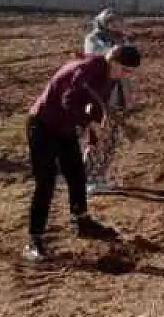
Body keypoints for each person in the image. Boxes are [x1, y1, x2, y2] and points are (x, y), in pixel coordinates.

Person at [23, 45, 142, 263]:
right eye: (125, 70)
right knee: (46, 182)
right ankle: (35, 239)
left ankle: (82, 221)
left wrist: (93, 132)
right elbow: (67, 101)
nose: (126, 76)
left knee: (77, 174)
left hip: (65, 128)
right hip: (43, 125)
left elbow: (96, 105)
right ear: (113, 61)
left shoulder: (108, 75)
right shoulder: (87, 70)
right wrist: (88, 125)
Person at [81, 8, 131, 194]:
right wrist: (119, 49)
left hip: (115, 95)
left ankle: (98, 175)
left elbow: (127, 64)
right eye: (111, 22)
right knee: (95, 137)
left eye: (117, 22)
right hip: (97, 96)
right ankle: (89, 178)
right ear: (103, 23)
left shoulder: (119, 39)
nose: (115, 25)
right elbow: (102, 56)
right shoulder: (93, 39)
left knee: (111, 139)